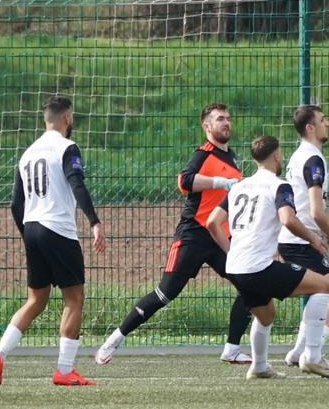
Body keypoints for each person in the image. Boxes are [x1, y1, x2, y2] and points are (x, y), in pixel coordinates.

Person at [95, 102, 253, 365]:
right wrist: (222, 182)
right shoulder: (203, 154)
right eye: (220, 119)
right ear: (207, 126)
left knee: (250, 285)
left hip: (220, 236)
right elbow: (184, 181)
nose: (226, 122)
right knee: (165, 293)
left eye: (228, 118)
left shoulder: (232, 157)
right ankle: (114, 339)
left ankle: (232, 349)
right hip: (193, 235)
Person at [0, 95, 107, 386]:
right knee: (74, 298)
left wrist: (29, 234)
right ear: (67, 117)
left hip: (32, 228)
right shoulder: (67, 147)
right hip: (58, 229)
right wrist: (94, 221)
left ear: (44, 119)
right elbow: (77, 184)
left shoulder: (27, 153)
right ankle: (64, 370)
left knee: (35, 300)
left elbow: (15, 204)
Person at [207, 135, 329, 380]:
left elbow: (212, 222)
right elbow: (288, 219)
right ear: (277, 156)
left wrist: (231, 252)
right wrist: (313, 238)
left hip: (235, 267)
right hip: (258, 267)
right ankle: (312, 356)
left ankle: (259, 367)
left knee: (265, 314)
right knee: (324, 287)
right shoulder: (278, 185)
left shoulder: (238, 186)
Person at [279, 105, 329, 368]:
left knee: (320, 294)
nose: (327, 123)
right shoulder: (313, 159)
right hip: (301, 240)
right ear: (310, 127)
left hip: (291, 239)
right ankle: (313, 354)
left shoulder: (297, 156)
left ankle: (299, 352)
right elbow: (316, 211)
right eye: (322, 120)